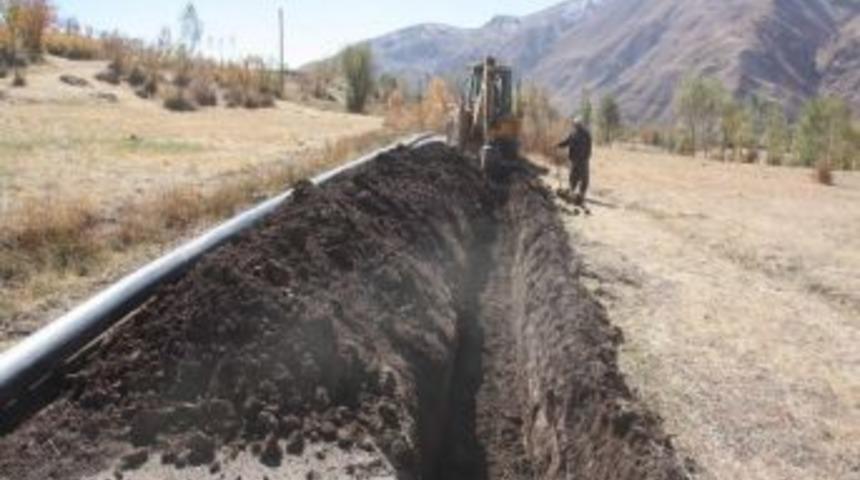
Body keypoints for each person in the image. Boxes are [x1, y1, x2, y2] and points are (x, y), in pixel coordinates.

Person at [557, 118, 592, 206]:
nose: (576, 126)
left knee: (583, 178)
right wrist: (559, 145)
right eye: (576, 124)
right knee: (573, 176)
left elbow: (589, 147)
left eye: (577, 124)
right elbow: (567, 142)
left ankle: (581, 194)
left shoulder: (586, 134)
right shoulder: (573, 134)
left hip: (582, 160)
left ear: (580, 125)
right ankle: (573, 193)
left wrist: (587, 157)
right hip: (574, 160)